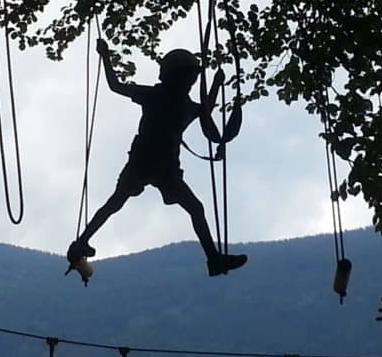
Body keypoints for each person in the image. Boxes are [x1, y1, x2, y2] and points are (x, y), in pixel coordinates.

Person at [66, 39, 247, 279]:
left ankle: (214, 259)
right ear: (176, 78)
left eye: (192, 80)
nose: (190, 84)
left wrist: (106, 56)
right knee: (120, 203)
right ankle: (81, 243)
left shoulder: (162, 98)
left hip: (157, 166)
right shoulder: (163, 98)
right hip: (153, 165)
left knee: (125, 203)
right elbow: (205, 109)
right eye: (189, 79)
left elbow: (205, 109)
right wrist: (105, 55)